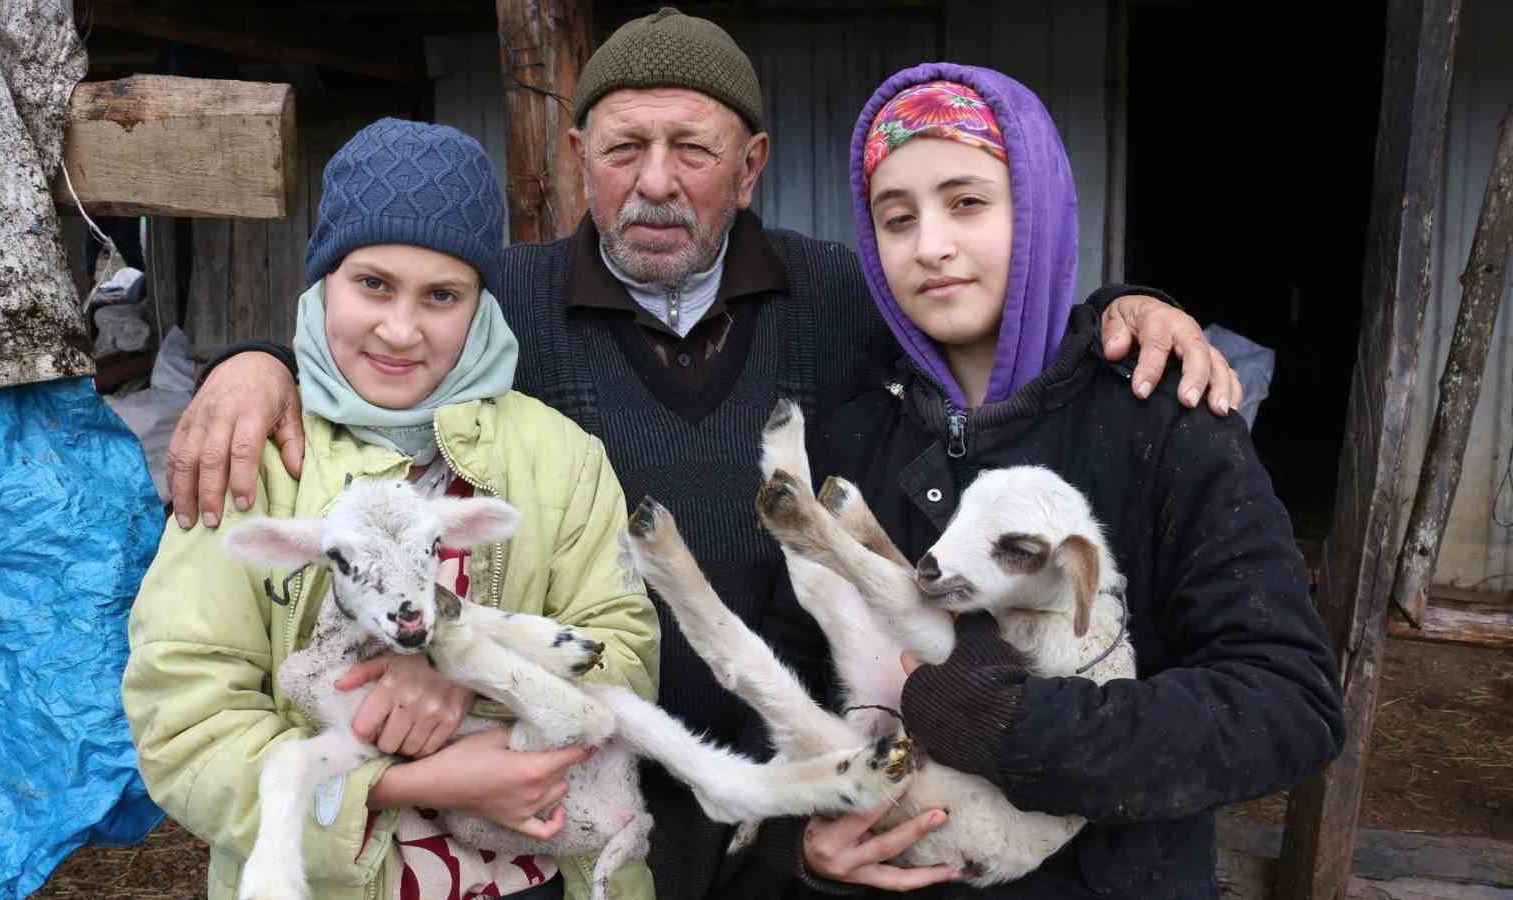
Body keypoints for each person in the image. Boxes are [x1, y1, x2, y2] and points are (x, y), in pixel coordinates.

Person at [165, 11, 1243, 897]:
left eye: (694, 147)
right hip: (582, 772)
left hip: (797, 771)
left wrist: (1122, 305)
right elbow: (388, 337)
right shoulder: (511, 308)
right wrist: (254, 363)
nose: (657, 180)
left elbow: (975, 300)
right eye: (624, 146)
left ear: (753, 163)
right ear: (581, 157)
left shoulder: (840, 295)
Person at [772, 64, 1343, 898]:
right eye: (897, 219)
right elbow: (801, 664)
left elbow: (1287, 705)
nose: (930, 244)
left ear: (1034, 209)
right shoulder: (853, 438)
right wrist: (811, 841)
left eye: (967, 203)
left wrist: (1013, 725)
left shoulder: (1163, 419)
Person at [121, 120, 660, 900]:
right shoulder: (251, 457)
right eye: (372, 283)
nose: (401, 329)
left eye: (442, 295)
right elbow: (183, 718)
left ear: (480, 305)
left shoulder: (561, 457)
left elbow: (626, 653)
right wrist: (400, 784)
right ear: (323, 282)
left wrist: (467, 675)